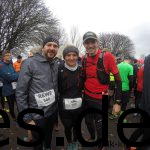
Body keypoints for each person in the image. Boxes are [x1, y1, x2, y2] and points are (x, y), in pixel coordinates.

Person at [16, 36, 59, 150]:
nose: (52, 48)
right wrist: (27, 118)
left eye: (55, 46)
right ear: (43, 47)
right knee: (38, 142)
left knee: (49, 136)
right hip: (37, 115)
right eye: (49, 45)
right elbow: (21, 92)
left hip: (52, 112)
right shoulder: (30, 63)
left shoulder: (55, 63)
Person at [82, 31, 122, 149]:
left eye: (92, 42)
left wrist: (117, 102)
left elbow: (118, 80)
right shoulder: (84, 58)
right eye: (87, 43)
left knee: (101, 125)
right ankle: (92, 136)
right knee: (88, 121)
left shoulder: (107, 56)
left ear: (97, 43)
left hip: (102, 98)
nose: (90, 45)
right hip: (87, 97)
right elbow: (83, 77)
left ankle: (101, 145)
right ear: (84, 45)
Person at [58, 45, 84, 150]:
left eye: (74, 55)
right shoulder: (59, 69)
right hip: (64, 107)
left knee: (77, 126)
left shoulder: (82, 70)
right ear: (64, 57)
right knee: (67, 126)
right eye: (68, 55)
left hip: (78, 105)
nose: (71, 58)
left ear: (78, 56)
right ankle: (69, 142)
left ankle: (75, 141)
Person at [0, 50, 18, 121]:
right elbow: (9, 77)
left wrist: (14, 75)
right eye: (7, 55)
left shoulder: (10, 64)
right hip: (7, 88)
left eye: (9, 55)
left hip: (14, 87)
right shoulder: (1, 65)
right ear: (3, 57)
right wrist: (17, 75)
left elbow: (14, 73)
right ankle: (14, 117)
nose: (9, 56)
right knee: (11, 104)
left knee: (17, 102)